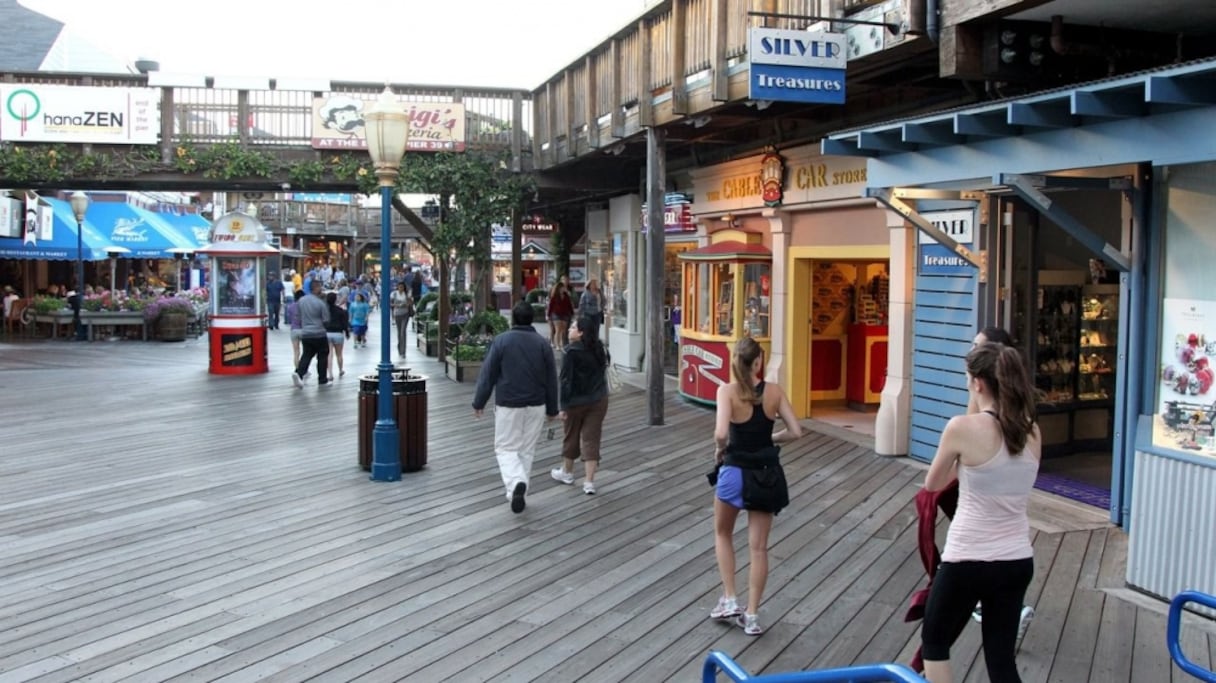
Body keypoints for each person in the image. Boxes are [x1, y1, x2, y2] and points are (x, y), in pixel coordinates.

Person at [920, 342, 1041, 683]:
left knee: (935, 641)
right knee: (1001, 660)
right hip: (1017, 558)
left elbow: (932, 484)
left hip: (968, 558)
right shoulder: (1031, 430)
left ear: (978, 384)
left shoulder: (962, 427)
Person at [710, 336, 802, 636]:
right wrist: (771, 439)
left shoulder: (727, 392)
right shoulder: (773, 392)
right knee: (759, 548)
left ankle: (730, 598)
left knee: (723, 533)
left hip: (735, 471)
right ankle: (751, 615)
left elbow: (722, 433)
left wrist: (719, 450)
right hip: (766, 475)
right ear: (759, 362)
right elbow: (796, 431)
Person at [964, 327, 1035, 636]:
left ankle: (1005, 608)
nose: (972, 351)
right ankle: (1001, 607)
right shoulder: (1020, 411)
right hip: (1009, 530)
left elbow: (971, 430)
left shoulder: (1006, 412)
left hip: (987, 497)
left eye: (978, 347)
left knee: (935, 637)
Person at [472, 301, 559, 514]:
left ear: (513, 319)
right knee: (526, 450)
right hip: (537, 403)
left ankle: (516, 482)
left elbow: (488, 374)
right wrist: (552, 409)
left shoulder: (502, 341)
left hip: (509, 403)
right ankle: (517, 492)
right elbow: (551, 379)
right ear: (532, 319)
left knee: (505, 448)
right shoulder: (542, 343)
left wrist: (479, 402)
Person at [550, 314, 610, 494]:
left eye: (573, 327)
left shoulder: (570, 352)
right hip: (598, 399)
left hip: (575, 401)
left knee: (571, 435)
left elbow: (565, 381)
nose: (569, 329)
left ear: (581, 332)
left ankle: (567, 472)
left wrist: (562, 406)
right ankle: (589, 482)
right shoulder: (600, 348)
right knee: (592, 438)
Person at [292, 280, 331, 388]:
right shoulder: (320, 303)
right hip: (319, 333)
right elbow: (326, 319)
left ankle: (299, 373)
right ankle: (322, 379)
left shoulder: (301, 301)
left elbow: (297, 317)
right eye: (320, 287)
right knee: (322, 356)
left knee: (307, 354)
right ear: (317, 288)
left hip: (306, 333)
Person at [324, 292, 350, 378]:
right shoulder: (341, 311)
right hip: (338, 334)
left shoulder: (325, 311)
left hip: (327, 333)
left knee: (329, 354)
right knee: (339, 354)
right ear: (335, 300)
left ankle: (330, 373)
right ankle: (340, 370)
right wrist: (347, 333)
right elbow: (345, 323)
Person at [546, 279, 574, 350]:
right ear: (558, 288)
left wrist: (572, 313)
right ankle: (557, 345)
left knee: (563, 330)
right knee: (558, 329)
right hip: (556, 314)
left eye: (563, 287)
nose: (563, 289)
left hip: (565, 314)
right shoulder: (554, 296)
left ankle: (562, 344)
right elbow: (550, 306)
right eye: (561, 288)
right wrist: (548, 315)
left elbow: (569, 305)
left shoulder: (566, 296)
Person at [390, 281, 414, 358]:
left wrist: (408, 303)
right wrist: (397, 305)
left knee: (403, 332)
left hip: (405, 314)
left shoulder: (406, 294)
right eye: (399, 287)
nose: (401, 288)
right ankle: (399, 349)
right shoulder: (394, 294)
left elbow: (411, 303)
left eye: (402, 287)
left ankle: (403, 351)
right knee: (399, 332)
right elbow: (390, 303)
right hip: (397, 314)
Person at [286, 289, 305, 368]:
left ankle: (297, 369)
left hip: (294, 330)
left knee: (296, 352)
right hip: (303, 330)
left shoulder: (290, 306)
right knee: (305, 352)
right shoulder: (304, 306)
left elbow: (289, 318)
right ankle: (303, 369)